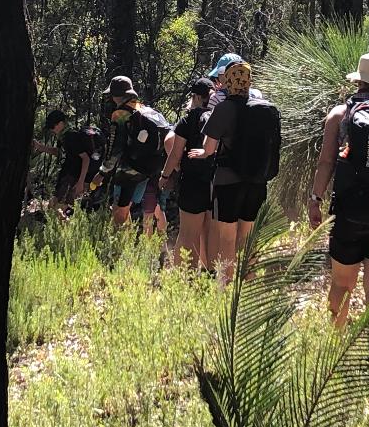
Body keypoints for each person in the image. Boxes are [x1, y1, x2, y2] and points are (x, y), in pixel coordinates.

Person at [307, 51, 369, 327]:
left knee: (341, 283)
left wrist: (315, 199)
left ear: (358, 82)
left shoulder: (341, 114)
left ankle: (335, 347)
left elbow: (326, 162)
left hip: (350, 211)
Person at [190, 59, 278, 283]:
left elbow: (209, 148)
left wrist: (202, 154)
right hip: (257, 182)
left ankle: (226, 286)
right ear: (249, 81)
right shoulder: (266, 108)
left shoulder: (225, 108)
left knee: (227, 238)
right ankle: (246, 281)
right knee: (246, 235)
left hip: (228, 181)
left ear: (227, 82)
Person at [99, 75, 172, 227]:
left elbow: (115, 147)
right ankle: (157, 247)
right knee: (152, 208)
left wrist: (103, 172)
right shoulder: (146, 109)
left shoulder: (120, 114)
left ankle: (119, 247)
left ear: (115, 95)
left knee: (119, 210)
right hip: (152, 167)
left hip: (130, 169)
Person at [160, 77, 216, 269]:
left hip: (192, 181)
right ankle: (209, 274)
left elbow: (174, 151)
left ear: (196, 97)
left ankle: (184, 278)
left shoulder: (188, 120)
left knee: (187, 234)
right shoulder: (219, 118)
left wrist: (166, 175)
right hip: (215, 181)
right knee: (208, 232)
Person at [32, 109, 99, 212]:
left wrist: (81, 182)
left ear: (61, 123)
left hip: (73, 176)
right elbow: (60, 152)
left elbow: (85, 159)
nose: (51, 129)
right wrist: (41, 147)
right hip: (66, 175)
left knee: (61, 207)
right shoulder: (63, 136)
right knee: (55, 206)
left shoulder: (70, 136)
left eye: (53, 126)